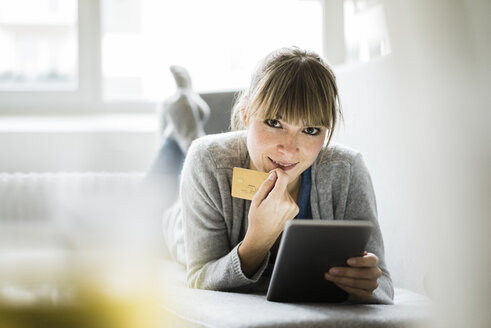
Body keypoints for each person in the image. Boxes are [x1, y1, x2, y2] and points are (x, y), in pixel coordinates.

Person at [163, 46, 394, 304]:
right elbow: (200, 276)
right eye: (275, 123)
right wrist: (257, 242)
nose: (289, 148)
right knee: (176, 169)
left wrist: (367, 285)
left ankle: (189, 129)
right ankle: (185, 125)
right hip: (178, 225)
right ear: (246, 114)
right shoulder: (208, 160)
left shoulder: (348, 170)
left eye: (310, 130)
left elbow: (383, 283)